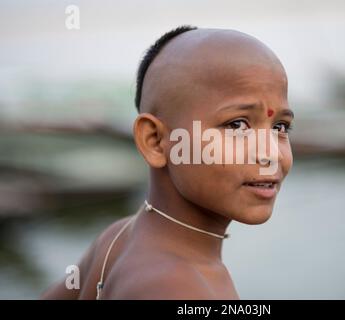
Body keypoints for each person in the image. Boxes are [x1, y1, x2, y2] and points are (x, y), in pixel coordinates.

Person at [41, 25, 294, 299]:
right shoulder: (174, 289)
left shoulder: (118, 237)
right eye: (237, 125)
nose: (272, 154)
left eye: (280, 127)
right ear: (155, 141)